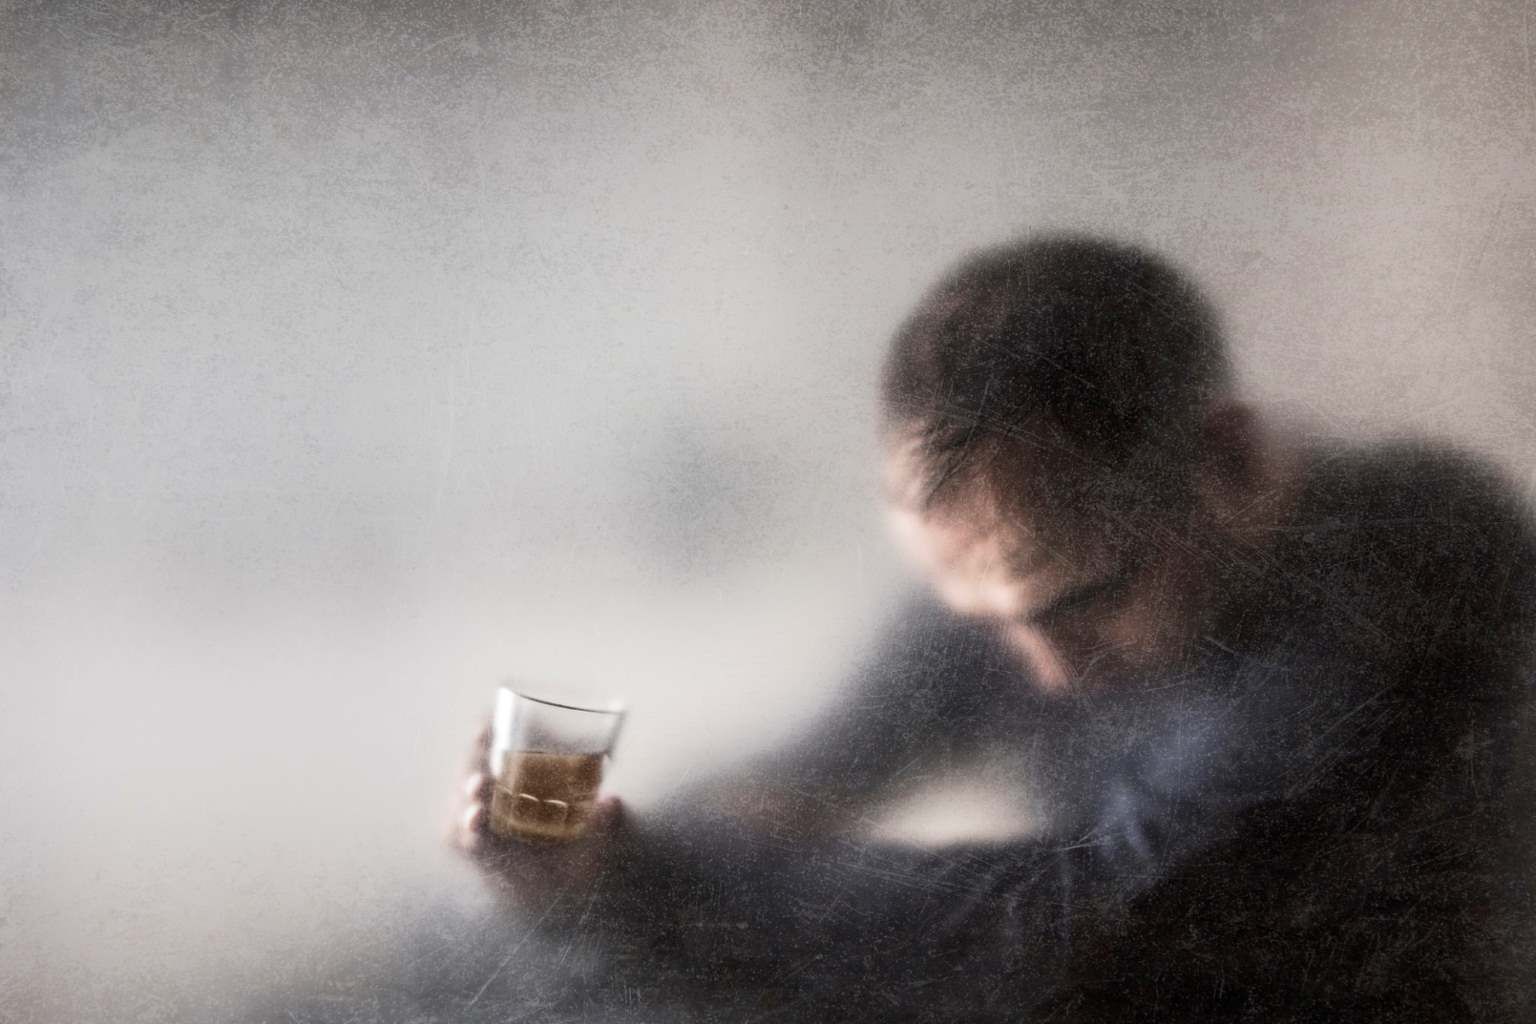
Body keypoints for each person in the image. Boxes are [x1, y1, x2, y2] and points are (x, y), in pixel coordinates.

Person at [453, 235, 1536, 1021]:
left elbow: (1090, 916)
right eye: (987, 617)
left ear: (1232, 463)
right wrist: (612, 855)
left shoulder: (1415, 567)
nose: (1045, 670)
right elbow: (828, 764)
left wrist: (647, 883)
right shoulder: (1051, 538)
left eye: (1076, 608)